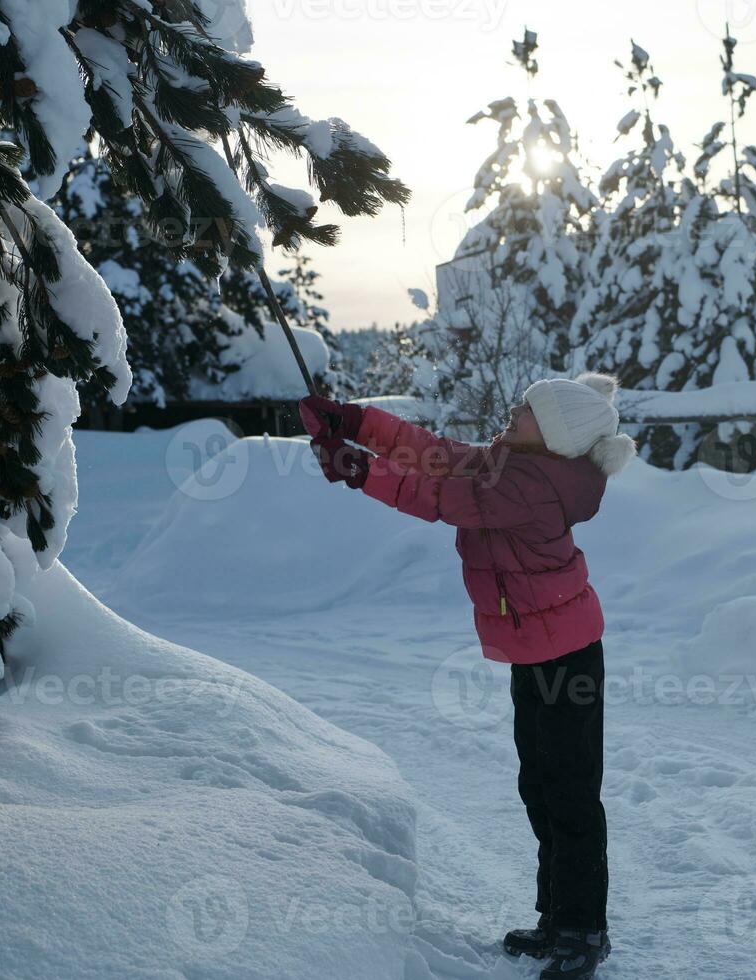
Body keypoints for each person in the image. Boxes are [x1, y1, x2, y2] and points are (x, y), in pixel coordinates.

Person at [298, 373, 636, 980]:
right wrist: (356, 423)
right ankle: (558, 916)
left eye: (527, 410)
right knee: (539, 780)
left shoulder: (529, 486)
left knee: (570, 790)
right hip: (541, 651)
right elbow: (438, 456)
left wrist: (359, 470)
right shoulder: (512, 462)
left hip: (568, 656)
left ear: (554, 436)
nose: (513, 410)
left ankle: (584, 930)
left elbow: (437, 497)